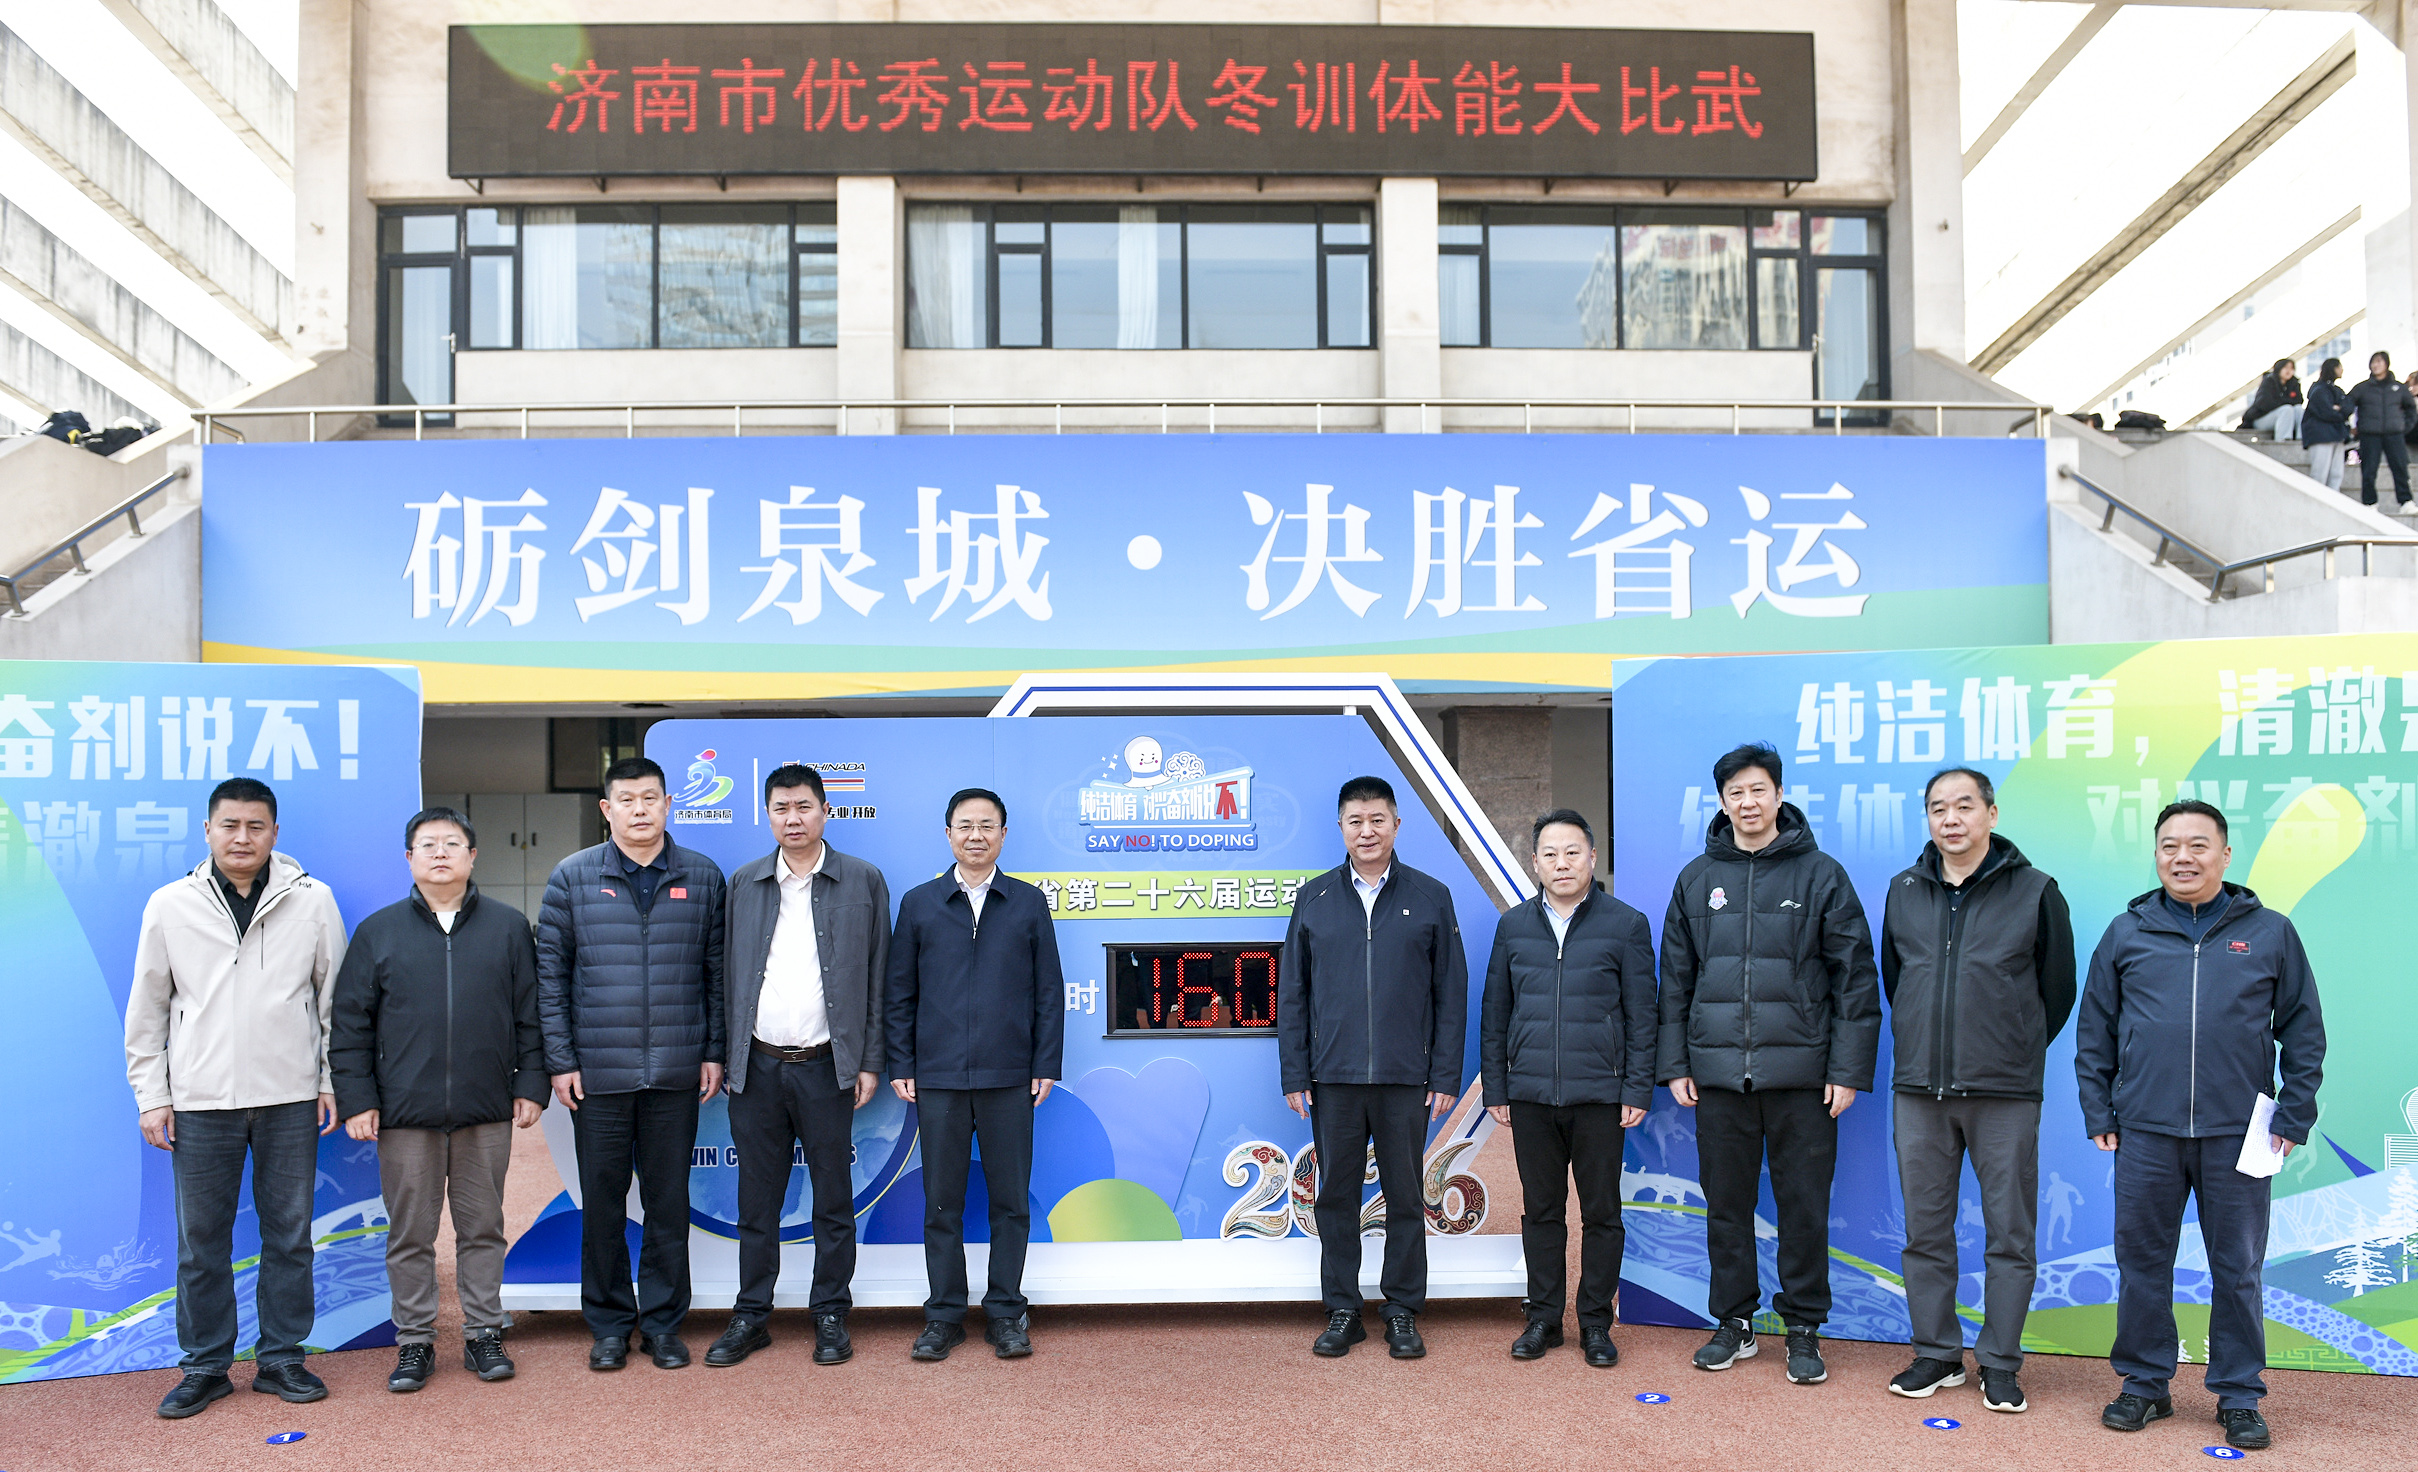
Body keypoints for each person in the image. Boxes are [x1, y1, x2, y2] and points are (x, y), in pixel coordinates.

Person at [2076, 800, 2325, 1453]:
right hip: (2145, 1130)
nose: (2182, 857)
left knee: (2237, 1266)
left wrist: (2294, 1112)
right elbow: (2095, 1028)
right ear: (2157, 854)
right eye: (2169, 846)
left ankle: (2239, 1396)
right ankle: (2144, 1385)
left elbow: (2303, 1029)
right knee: (2141, 1263)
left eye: (2197, 845)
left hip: (2240, 1132)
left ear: (2224, 854)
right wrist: (2099, 1108)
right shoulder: (2126, 933)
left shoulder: (2270, 932)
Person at [124, 777, 349, 1419]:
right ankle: (204, 1366)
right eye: (229, 825)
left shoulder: (312, 900)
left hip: (290, 1097)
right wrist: (152, 1095)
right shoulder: (171, 904)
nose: (242, 837)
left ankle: (281, 1359)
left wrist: (329, 1081)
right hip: (200, 1100)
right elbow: (149, 1007)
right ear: (208, 831)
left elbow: (334, 1002)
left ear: (275, 832)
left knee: (290, 1236)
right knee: (201, 1243)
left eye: (255, 826)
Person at [1657, 743, 1880, 1387]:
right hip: (1719, 1077)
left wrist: (1847, 1069)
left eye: (1758, 790)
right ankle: (1734, 1320)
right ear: (1722, 802)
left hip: (1803, 1079)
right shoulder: (1697, 879)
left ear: (1779, 794)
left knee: (1803, 1207)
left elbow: (1855, 979)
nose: (1748, 802)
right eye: (1736, 793)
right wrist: (1677, 1063)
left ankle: (1803, 1327)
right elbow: (1675, 980)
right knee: (1726, 1206)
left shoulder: (1821, 876)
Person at [1878, 769, 2076, 1414]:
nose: (1951, 819)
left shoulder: (2036, 891)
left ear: (1991, 813)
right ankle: (1937, 1353)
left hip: (2004, 1092)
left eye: (1964, 806)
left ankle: (1999, 1361)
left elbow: (2057, 991)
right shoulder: (1904, 890)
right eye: (1938, 808)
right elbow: (1897, 979)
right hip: (1919, 1090)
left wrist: (2008, 1047)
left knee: (2009, 1234)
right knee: (1924, 1232)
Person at [328, 807, 546, 1393]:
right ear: (409, 859)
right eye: (428, 845)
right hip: (405, 1115)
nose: (441, 853)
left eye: (453, 843)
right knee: (410, 1235)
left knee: (484, 1229)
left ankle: (483, 1332)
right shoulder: (378, 931)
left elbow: (531, 1015)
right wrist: (358, 1099)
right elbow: (350, 1024)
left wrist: (530, 1084)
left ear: (473, 856)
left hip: (485, 1109)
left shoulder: (507, 927)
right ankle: (415, 1342)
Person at [538, 756, 728, 1372]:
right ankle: (610, 1325)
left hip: (676, 1071)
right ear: (607, 809)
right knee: (602, 1204)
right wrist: (561, 1059)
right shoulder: (572, 877)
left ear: (669, 804)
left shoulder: (702, 876)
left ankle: (665, 1325)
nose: (640, 809)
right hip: (599, 1075)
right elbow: (550, 979)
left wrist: (713, 1050)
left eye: (650, 798)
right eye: (627, 799)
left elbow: (717, 975)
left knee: (669, 1204)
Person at [707, 764, 891, 1370]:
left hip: (826, 1066)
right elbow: (724, 977)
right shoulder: (744, 883)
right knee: (757, 1201)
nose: (793, 819)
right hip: (757, 1066)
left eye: (804, 807)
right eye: (781, 808)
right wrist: (726, 1056)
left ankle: (831, 1312)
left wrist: (869, 1060)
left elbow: (879, 976)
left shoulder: (863, 881)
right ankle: (750, 1314)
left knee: (832, 1198)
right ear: (768, 815)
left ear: (825, 811)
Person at [1278, 775, 1469, 1360]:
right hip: (1332, 1078)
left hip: (1405, 1078)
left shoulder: (1431, 895)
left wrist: (1445, 1074)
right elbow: (1294, 993)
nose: (1367, 831)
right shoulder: (1314, 898)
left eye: (1377, 820)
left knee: (1405, 1196)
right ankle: (1343, 1308)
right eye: (1355, 821)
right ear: (1341, 827)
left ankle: (1403, 1309)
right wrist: (1295, 1073)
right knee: (1335, 1196)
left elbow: (1451, 992)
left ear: (1396, 825)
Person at [886, 787, 1063, 1362]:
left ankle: (1006, 1312)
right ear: (948, 835)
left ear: (1003, 835)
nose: (976, 835)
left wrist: (1045, 1064)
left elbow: (1048, 992)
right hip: (938, 1077)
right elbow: (899, 993)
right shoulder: (920, 903)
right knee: (942, 1202)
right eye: (965, 825)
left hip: (1010, 1077)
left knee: (1010, 1202)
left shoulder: (1028, 903)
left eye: (987, 825)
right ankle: (943, 1315)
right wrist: (901, 1062)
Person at [1479, 809, 1655, 1368]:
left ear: (1592, 858)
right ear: (1534, 863)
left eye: (1572, 852)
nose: (1562, 864)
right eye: (1550, 854)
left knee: (1602, 1214)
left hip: (1601, 1096)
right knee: (1541, 1212)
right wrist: (1497, 1088)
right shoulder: (1513, 927)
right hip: (1531, 1096)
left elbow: (1642, 1016)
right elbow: (1495, 1013)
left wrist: (1637, 1088)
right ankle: (1544, 1319)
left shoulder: (1626, 924)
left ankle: (1596, 1322)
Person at [2343, 349, 2415, 508]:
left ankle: (2406, 502)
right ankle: (2370, 503)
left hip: (2394, 434)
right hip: (2370, 435)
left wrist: (2404, 427)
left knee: (2400, 469)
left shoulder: (2398, 388)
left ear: (2386, 364)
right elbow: (2347, 405)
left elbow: (2411, 409)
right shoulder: (2362, 388)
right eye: (2373, 362)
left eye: (2379, 362)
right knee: (2369, 470)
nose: (2375, 365)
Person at [2300, 357, 2350, 492]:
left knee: (2336, 475)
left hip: (2336, 436)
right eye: (2339, 366)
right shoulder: (2319, 390)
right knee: (2319, 475)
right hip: (2321, 436)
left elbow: (2347, 407)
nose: (2342, 369)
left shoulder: (2335, 390)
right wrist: (2339, 412)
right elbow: (2326, 411)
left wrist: (2339, 409)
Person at [2236, 358, 2301, 440]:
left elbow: (2299, 401)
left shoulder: (2294, 383)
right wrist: (2286, 402)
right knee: (2286, 409)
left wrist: (2281, 401)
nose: (2289, 371)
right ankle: (2283, 440)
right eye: (2286, 367)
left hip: (2283, 418)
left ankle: (2300, 439)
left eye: (2291, 368)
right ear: (2279, 368)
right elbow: (2265, 403)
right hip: (2261, 418)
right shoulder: (2269, 381)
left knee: (2298, 409)